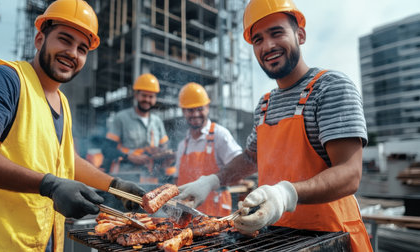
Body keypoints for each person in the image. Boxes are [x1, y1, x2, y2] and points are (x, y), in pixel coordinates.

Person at [176, 0, 372, 251]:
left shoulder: (330, 87)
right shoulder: (265, 105)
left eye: (276, 33)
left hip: (332, 238)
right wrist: (212, 181)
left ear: (300, 35)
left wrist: (286, 194)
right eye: (257, 39)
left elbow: (350, 173)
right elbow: (250, 158)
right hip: (275, 239)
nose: (267, 45)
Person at [0, 0, 145, 251]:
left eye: (82, 49)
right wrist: (49, 185)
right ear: (40, 38)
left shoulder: (62, 102)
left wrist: (114, 186)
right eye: (64, 39)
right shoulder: (4, 81)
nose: (73, 53)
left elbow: (68, 161)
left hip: (41, 244)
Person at [174, 83, 242, 217]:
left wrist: (212, 183)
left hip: (215, 215)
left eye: (200, 109)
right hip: (185, 216)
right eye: (190, 110)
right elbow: (177, 181)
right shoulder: (183, 145)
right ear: (183, 111)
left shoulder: (220, 135)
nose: (195, 114)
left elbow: (239, 172)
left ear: (207, 107)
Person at [105, 73, 173, 183]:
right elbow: (107, 149)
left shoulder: (157, 121)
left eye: (151, 96)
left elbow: (165, 145)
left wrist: (161, 152)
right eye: (144, 95)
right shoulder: (121, 118)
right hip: (127, 178)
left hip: (151, 179)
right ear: (136, 95)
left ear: (155, 98)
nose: (147, 99)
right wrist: (129, 157)